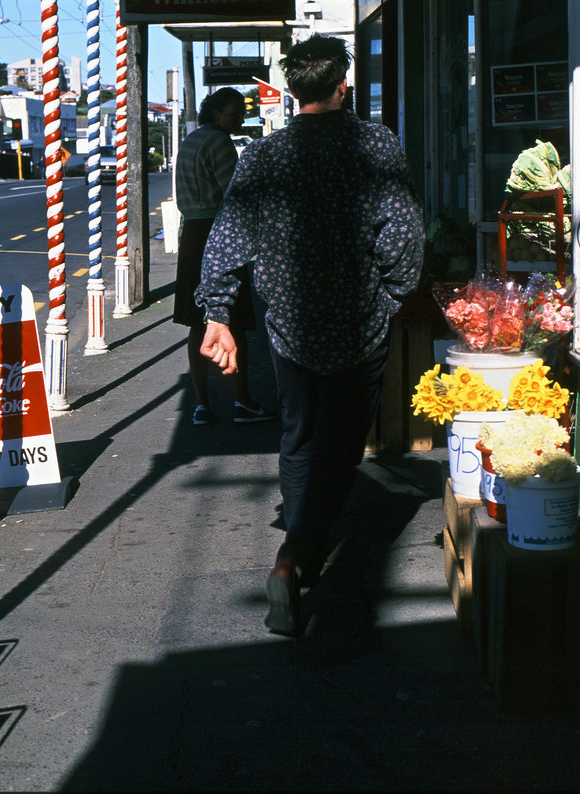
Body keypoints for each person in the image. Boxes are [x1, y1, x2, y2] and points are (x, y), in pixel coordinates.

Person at [195, 35, 424, 636]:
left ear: (293, 91)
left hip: (289, 325)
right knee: (342, 445)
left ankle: (301, 557)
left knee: (299, 437)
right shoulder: (374, 144)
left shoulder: (263, 156)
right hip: (357, 323)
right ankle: (295, 559)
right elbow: (400, 235)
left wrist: (218, 313)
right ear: (342, 85)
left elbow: (226, 239)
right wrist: (393, 296)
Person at [173, 87, 274, 426]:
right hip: (219, 233)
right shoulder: (219, 141)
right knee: (234, 320)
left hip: (192, 233)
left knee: (195, 322)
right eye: (234, 113)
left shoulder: (190, 140)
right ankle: (242, 400)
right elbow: (237, 194)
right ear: (216, 113)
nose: (240, 118)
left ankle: (201, 403)